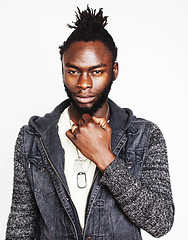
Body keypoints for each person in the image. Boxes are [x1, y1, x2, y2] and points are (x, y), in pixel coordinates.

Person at [6, 6, 174, 240]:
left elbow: (161, 222)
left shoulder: (144, 136)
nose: (84, 83)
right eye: (73, 71)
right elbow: (20, 229)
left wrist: (105, 158)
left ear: (113, 71)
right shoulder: (32, 139)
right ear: (63, 69)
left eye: (96, 72)